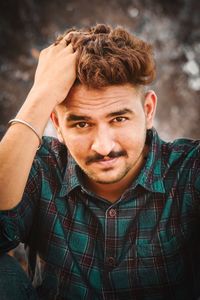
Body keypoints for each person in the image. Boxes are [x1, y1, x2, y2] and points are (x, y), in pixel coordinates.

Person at [0, 23, 199, 300]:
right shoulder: (39, 167)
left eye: (119, 119)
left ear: (148, 110)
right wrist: (41, 95)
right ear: (57, 124)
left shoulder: (189, 170)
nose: (103, 146)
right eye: (81, 124)